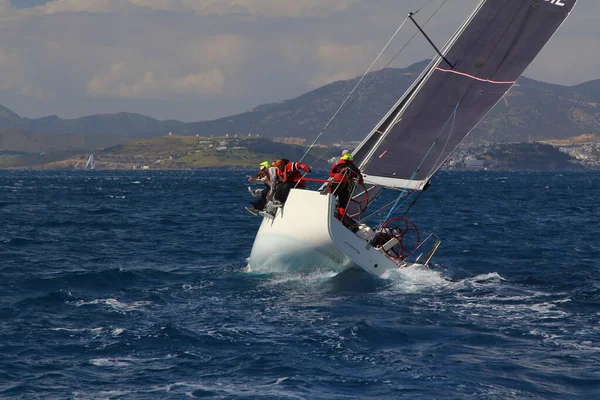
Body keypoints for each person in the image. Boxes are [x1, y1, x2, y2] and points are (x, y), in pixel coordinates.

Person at [329, 151, 363, 218]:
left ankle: (328, 212)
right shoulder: (353, 167)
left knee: (330, 198)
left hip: (335, 183)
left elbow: (331, 174)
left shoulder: (336, 165)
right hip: (345, 186)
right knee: (343, 203)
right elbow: (360, 179)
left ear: (342, 156)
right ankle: (341, 218)